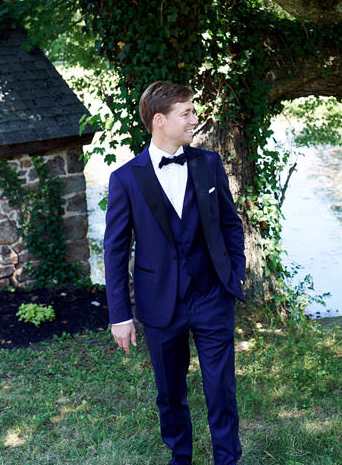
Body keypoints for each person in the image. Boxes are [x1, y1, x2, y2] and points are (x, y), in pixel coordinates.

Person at [103, 80, 247, 465]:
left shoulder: (208, 164)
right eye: (186, 113)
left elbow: (231, 225)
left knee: (220, 386)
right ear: (160, 121)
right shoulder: (126, 179)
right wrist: (120, 315)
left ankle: (227, 459)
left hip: (212, 293)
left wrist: (236, 276)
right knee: (170, 390)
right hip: (159, 301)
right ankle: (180, 455)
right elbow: (114, 253)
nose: (194, 120)